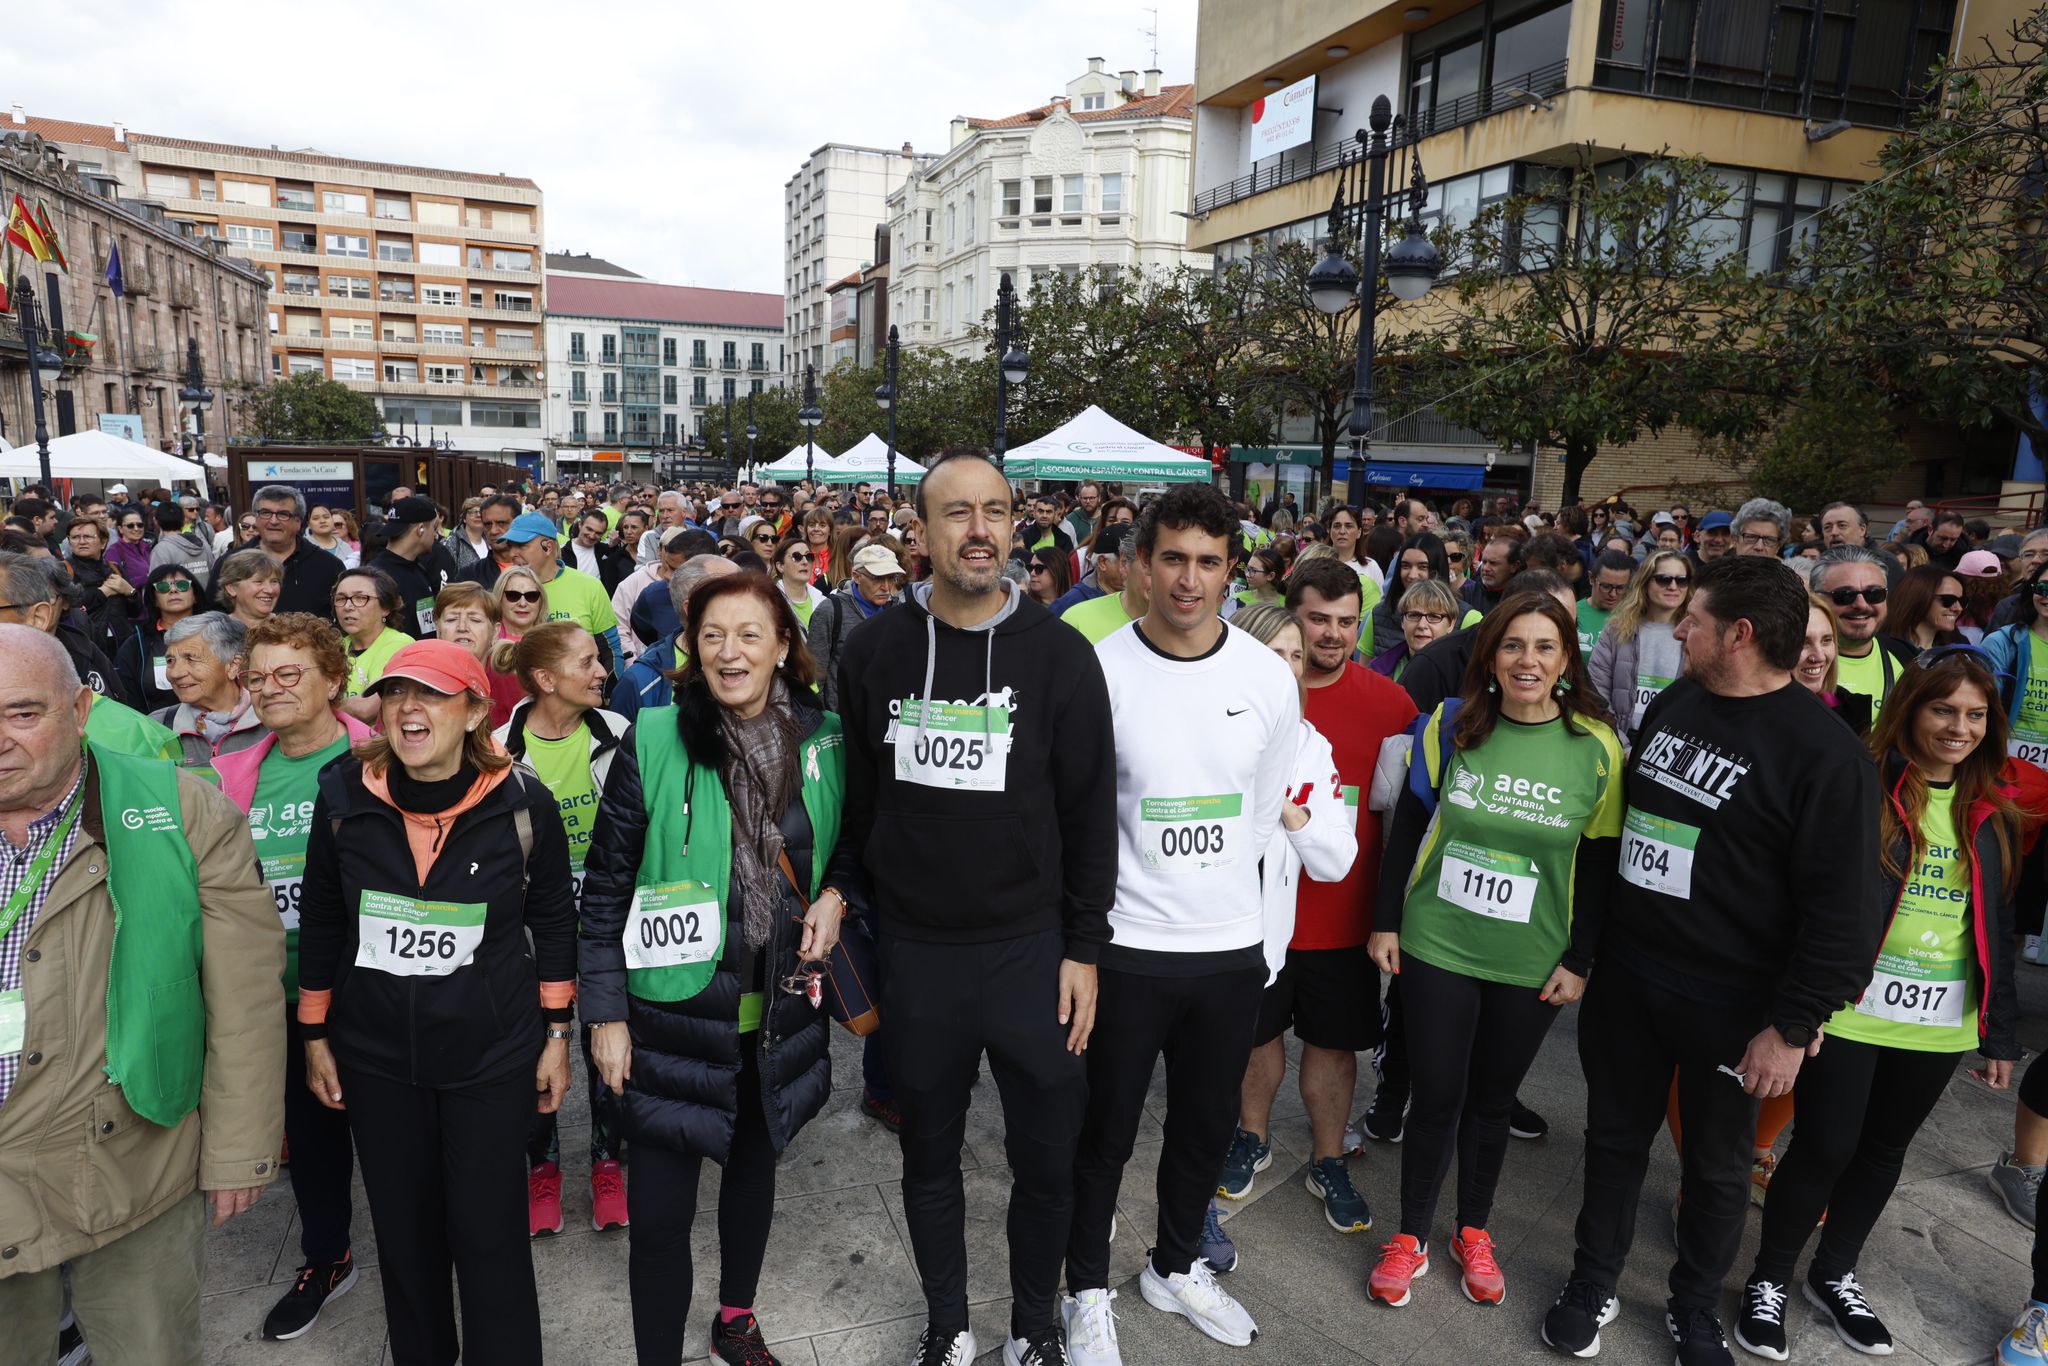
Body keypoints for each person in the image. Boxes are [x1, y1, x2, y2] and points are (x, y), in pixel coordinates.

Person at [1544, 555, 1882, 1366]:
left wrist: (1794, 1025)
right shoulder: (1678, 703)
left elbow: (1844, 915)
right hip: (1632, 981)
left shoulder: (1825, 755)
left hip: (1734, 1008)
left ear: (1737, 633)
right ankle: (1592, 1284)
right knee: (1613, 1140)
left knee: (1719, 1167)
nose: (1676, 626)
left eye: (1690, 617)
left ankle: (1693, 1307)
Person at [825, 448, 1116, 1366]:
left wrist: (1083, 947)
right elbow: (856, 801)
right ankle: (947, 1326)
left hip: (1031, 952)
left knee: (1045, 1161)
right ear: (922, 530)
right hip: (918, 955)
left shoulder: (1062, 655)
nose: (981, 530)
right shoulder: (873, 649)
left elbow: (1088, 812)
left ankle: (1035, 1329)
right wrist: (841, 889)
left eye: (995, 511)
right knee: (927, 1159)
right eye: (957, 513)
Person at [578, 573, 848, 1366]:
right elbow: (605, 890)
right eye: (712, 635)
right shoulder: (654, 737)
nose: (731, 652)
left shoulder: (825, 738)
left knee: (752, 1180)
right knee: (659, 1218)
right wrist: (606, 1016)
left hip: (778, 1016)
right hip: (665, 1018)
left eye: (751, 634)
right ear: (689, 646)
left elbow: (860, 848)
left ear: (783, 648)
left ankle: (736, 1318)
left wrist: (834, 892)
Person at [0, 624, 283, 1366]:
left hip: (129, 1156)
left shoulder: (181, 811)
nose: (0, 740)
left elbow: (245, 994)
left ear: (82, 710)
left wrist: (239, 1151)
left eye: (23, 714)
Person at [295, 639, 576, 1366]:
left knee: (490, 1235)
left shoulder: (522, 801)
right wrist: (316, 1031)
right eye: (393, 693)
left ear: (477, 709)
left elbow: (551, 918)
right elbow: (324, 918)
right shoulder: (342, 795)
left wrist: (556, 1033)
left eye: (429, 694)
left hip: (489, 1053)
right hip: (377, 1056)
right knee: (406, 1235)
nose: (407, 709)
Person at [1064, 483, 1295, 1363]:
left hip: (1228, 951)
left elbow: (1266, 813)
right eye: (1173, 559)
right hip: (1124, 950)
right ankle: (1087, 1287)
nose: (1190, 580)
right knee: (1106, 1132)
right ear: (1138, 565)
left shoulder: (1266, 676)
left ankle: (1173, 1264)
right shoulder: (1100, 669)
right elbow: (1077, 815)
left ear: (1231, 569)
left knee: (1204, 1127)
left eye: (1208, 562)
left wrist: (1256, 938)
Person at [1736, 648, 2020, 1360]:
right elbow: (1812, 897)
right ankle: (1768, 1281)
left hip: (1938, 1018)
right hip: (1851, 1006)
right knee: (1826, 1144)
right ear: (1911, 710)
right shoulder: (1862, 784)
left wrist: (1999, 1033)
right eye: (1943, 709)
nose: (1959, 727)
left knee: (1883, 1151)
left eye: (1975, 715)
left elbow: (1995, 925)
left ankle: (1833, 1274)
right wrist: (1798, 1008)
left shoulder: (1994, 809)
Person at [1364, 593, 1623, 1310]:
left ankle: (1472, 1229)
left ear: (1567, 658)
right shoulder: (1451, 725)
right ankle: (1412, 1234)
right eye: (1513, 646)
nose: (1527, 661)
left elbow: (1600, 864)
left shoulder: (1597, 748)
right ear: (1490, 656)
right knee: (1437, 1093)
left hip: (1531, 956)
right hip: (1438, 939)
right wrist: (1386, 921)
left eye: (1544, 647)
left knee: (1491, 1101)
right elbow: (1409, 826)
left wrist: (1581, 960)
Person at [1227, 559, 1417, 1236]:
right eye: (1318, 620)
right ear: (1290, 616)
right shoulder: (1241, 699)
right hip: (1253, 919)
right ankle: (1251, 1138)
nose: (1332, 635)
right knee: (1257, 1040)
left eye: (1347, 621)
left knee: (1335, 1046)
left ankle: (1328, 1157)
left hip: (1344, 917)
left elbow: (1404, 816)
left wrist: (1390, 917)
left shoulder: (1391, 704)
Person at [213, 612, 376, 1342]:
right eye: (259, 677)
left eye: (290, 674)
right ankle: (326, 1256)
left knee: (394, 1137)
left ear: (333, 681)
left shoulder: (378, 758)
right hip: (276, 992)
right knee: (311, 1139)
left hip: (372, 989)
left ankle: (424, 1260)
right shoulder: (228, 771)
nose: (271, 689)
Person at [492, 624, 631, 1238]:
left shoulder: (621, 736)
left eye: (599, 660)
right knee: (535, 1051)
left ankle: (608, 1162)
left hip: (609, 926)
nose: (602, 670)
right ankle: (540, 1167)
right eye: (588, 662)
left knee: (611, 1044)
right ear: (546, 680)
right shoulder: (497, 749)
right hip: (530, 934)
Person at [497, 512, 623, 678]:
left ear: (548, 546)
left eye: (521, 546)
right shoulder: (503, 588)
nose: (512, 553)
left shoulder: (589, 586)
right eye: (510, 546)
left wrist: (610, 692)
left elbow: (611, 650)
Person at [613, 557, 737, 722]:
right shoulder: (640, 682)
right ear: (693, 608)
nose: (749, 601)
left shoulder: (764, 660)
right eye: (733, 595)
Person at [1589, 551, 1692, 749]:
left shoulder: (1698, 635)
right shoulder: (1617, 629)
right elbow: (1597, 690)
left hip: (1672, 744)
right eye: (1663, 579)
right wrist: (1621, 745)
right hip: (1620, 737)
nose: (1673, 587)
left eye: (1681, 580)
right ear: (1645, 582)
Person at [151, 612, 265, 778]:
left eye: (191, 658)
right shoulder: (158, 727)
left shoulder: (271, 722)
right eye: (170, 661)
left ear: (233, 665)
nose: (175, 673)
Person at [1816, 546, 1914, 719]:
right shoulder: (1795, 662)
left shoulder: (1906, 656)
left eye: (1874, 594)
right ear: (1816, 598)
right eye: (1844, 595)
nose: (1861, 604)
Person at [807, 542, 906, 711]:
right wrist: (823, 717)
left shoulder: (898, 611)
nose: (886, 587)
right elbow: (814, 673)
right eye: (877, 578)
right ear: (856, 576)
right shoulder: (830, 610)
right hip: (842, 718)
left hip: (887, 714)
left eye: (891, 578)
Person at [251, 486, 346, 619]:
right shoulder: (233, 563)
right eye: (266, 513)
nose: (273, 521)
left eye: (283, 515)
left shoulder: (329, 566)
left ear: (298, 522)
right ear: (256, 518)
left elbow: (345, 617)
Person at [366, 497, 450, 639]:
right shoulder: (375, 577)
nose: (436, 535)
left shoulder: (419, 569)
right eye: (433, 528)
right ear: (420, 529)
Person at [1797, 590, 1871, 735]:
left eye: (1826, 641)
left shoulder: (1852, 712)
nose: (1819, 656)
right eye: (1803, 643)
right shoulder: (1754, 715)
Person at [332, 567, 408, 708]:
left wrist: (320, 706)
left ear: (385, 608)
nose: (348, 606)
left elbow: (368, 708)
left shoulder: (400, 645)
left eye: (360, 598)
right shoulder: (334, 647)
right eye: (341, 599)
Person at [63, 514, 135, 651]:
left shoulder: (115, 568)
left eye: (88, 537)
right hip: (85, 645)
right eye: (75, 537)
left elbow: (136, 612)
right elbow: (68, 608)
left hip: (122, 643)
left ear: (103, 542)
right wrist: (102, 592)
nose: (81, 541)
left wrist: (130, 592)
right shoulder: (63, 570)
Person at [1370, 579, 1463, 682]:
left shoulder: (1466, 675)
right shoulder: (1376, 673)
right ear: (1402, 621)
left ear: (1451, 624)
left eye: (1433, 616)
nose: (1422, 625)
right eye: (1414, 615)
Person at [1888, 563, 1967, 651]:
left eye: (1962, 601)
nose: (1958, 608)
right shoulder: (1886, 648)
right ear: (1918, 597)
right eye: (1948, 600)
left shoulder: (1960, 648)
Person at [455, 495, 523, 590]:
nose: (493, 531)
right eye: (488, 524)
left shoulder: (537, 569)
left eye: (501, 523)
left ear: (518, 523)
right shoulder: (468, 576)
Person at [1579, 551, 1637, 657]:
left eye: (1621, 588)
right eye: (1606, 586)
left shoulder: (1634, 615)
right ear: (1591, 579)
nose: (1613, 594)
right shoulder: (1573, 612)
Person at [146, 501, 213, 592]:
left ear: (156, 521)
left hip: (177, 603)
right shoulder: (203, 544)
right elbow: (213, 574)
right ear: (183, 520)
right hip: (205, 601)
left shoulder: (161, 550)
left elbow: (157, 585)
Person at [215, 548, 284, 634]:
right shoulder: (214, 634)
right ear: (231, 588)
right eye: (259, 581)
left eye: (274, 581)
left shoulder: (291, 631)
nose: (270, 590)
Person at [567, 508, 633, 594]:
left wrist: (615, 546)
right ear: (580, 525)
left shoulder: (605, 550)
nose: (592, 535)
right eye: (589, 529)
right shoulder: (562, 552)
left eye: (598, 533)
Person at [771, 536, 827, 627]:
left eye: (809, 556)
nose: (805, 562)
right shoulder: (769, 602)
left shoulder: (824, 602)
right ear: (780, 566)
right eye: (796, 557)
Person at [1464, 535, 1523, 617]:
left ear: (1514, 566)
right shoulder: (1466, 594)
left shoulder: (1523, 600)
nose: (1485, 568)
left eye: (1493, 563)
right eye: (1484, 562)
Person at [1231, 545, 1286, 614]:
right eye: (1247, 569)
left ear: (1270, 576)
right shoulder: (1237, 600)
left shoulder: (1286, 606)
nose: (1247, 574)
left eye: (1253, 570)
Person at [105, 506, 153, 586]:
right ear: (120, 529)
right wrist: (146, 578)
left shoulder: (147, 547)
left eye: (140, 525)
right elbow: (113, 582)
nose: (136, 529)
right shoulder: (114, 551)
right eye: (130, 526)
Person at [306, 504, 359, 569]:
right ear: (309, 524)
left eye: (326, 517)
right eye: (316, 518)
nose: (322, 521)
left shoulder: (346, 547)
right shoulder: (304, 547)